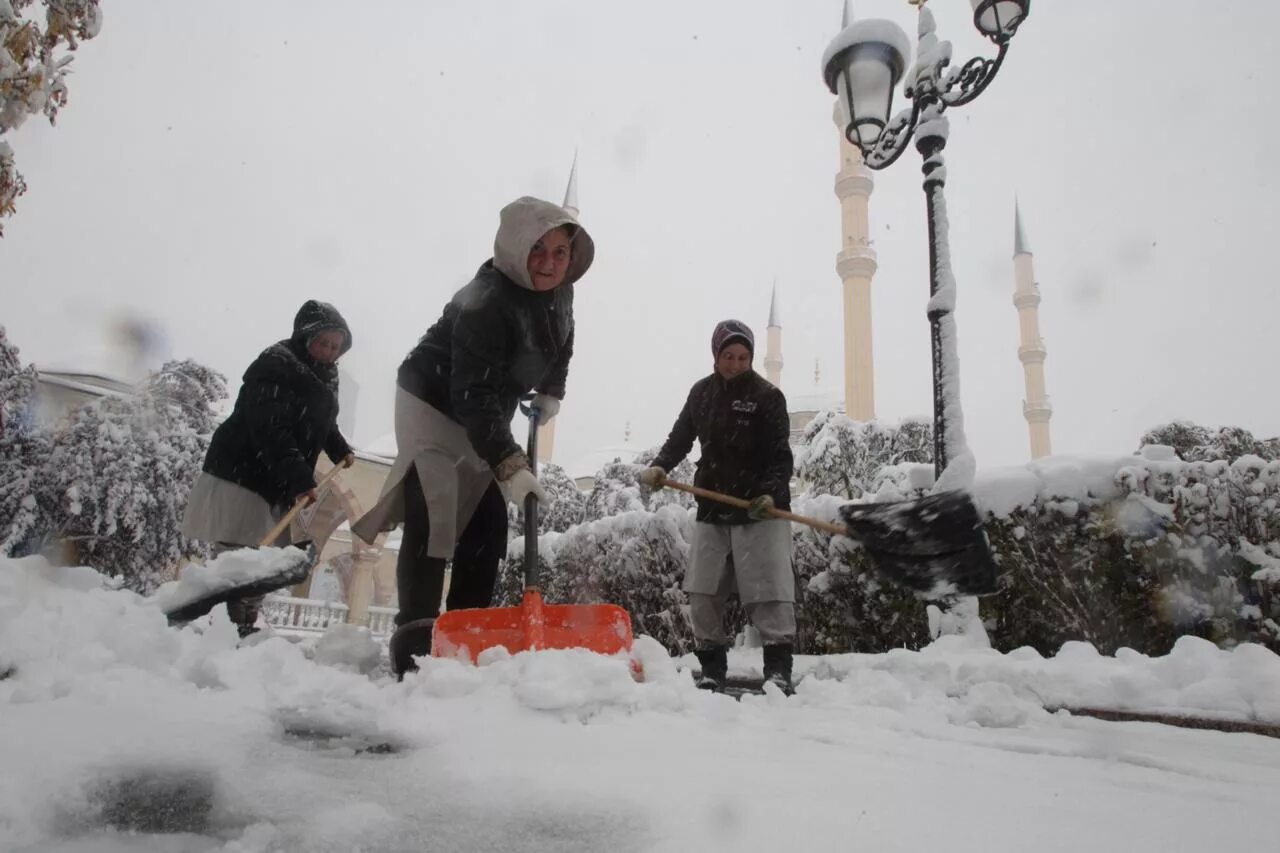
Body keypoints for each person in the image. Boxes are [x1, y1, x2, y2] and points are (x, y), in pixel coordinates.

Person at [353, 196, 594, 678]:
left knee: (485, 527)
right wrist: (508, 464)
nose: (549, 264)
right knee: (436, 514)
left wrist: (551, 390)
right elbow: (472, 392)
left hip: (485, 410)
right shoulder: (486, 300)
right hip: (434, 401)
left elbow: (562, 340)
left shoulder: (561, 292)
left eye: (560, 252)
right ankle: (415, 647)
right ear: (515, 247)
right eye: (537, 250)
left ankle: (467, 635)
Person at [637, 319, 797, 693]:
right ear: (716, 355)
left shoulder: (768, 396)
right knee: (704, 591)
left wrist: (770, 494)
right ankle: (712, 669)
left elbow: (780, 456)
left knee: (769, 592)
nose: (737, 363)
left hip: (760, 509)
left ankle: (778, 671)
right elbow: (680, 437)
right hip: (712, 504)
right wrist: (662, 464)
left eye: (744, 357)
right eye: (729, 356)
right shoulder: (702, 394)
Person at [182, 300, 355, 637]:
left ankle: (245, 620)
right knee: (240, 553)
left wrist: (339, 449)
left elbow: (319, 424)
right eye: (323, 343)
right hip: (243, 473)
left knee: (263, 559)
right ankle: (224, 623)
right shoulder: (276, 365)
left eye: (336, 346)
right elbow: (271, 428)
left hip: (274, 477)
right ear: (306, 337)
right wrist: (300, 478)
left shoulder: (323, 376)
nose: (329, 352)